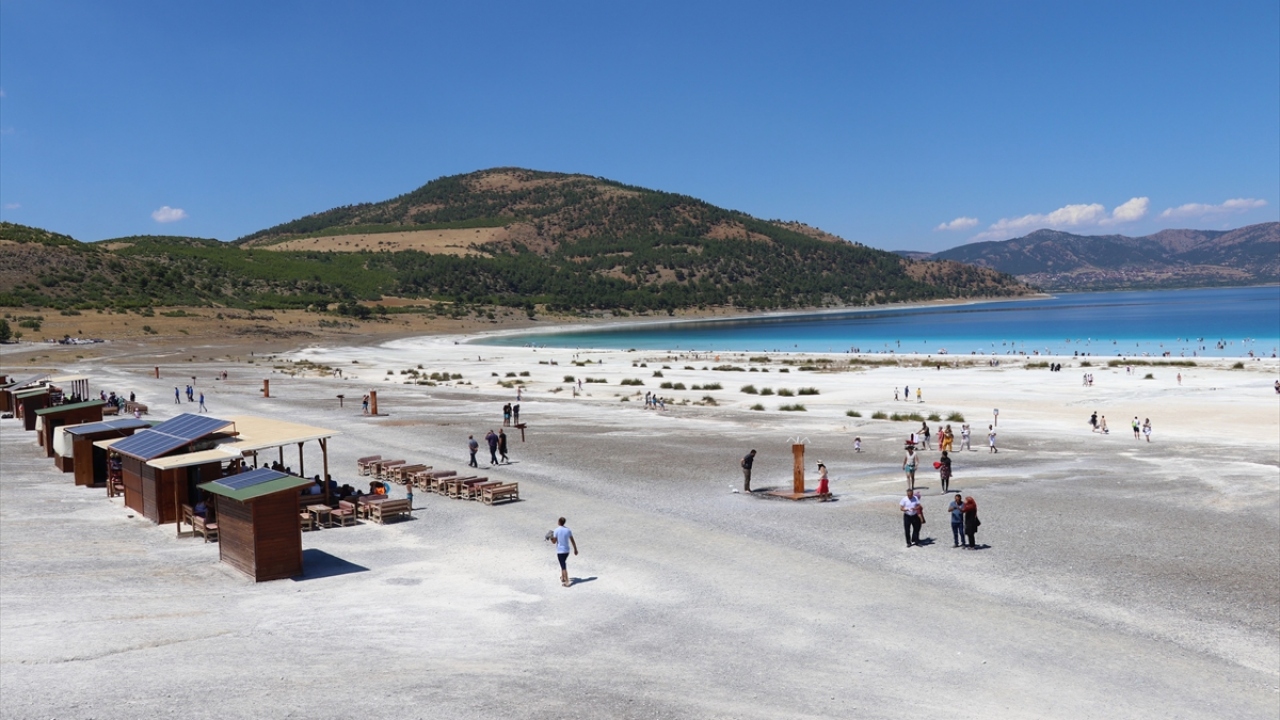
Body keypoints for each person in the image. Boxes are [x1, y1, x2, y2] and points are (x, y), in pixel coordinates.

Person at [551, 517, 578, 587]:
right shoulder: (568, 530)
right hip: (567, 551)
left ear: (559, 522)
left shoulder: (556, 530)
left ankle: (567, 581)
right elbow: (572, 540)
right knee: (562, 563)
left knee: (563, 566)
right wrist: (575, 549)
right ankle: (563, 577)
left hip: (560, 551)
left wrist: (550, 537)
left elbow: (554, 542)